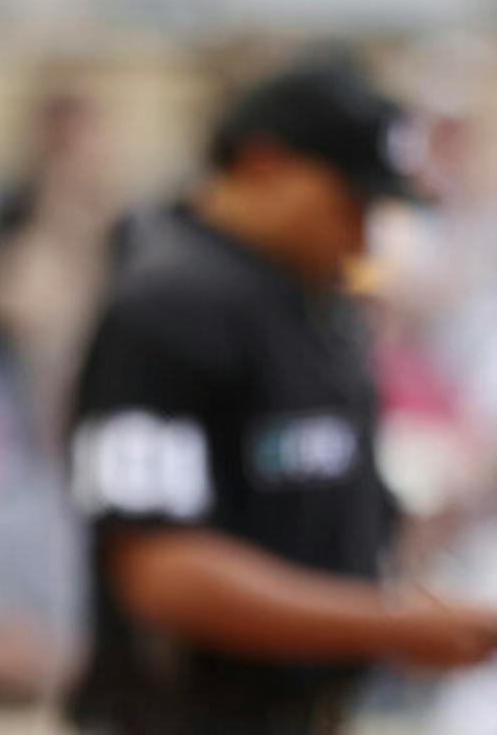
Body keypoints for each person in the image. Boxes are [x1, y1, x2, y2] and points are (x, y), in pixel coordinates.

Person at [66, 51, 497, 734]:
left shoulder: (316, 300)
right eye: (350, 200)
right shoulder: (168, 301)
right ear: (264, 162)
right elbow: (159, 569)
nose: (365, 233)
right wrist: (389, 625)